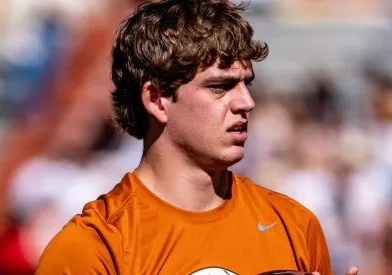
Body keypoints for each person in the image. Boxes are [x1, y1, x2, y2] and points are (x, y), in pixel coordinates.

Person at [35, 1, 359, 274]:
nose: (247, 102)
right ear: (157, 99)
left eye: (247, 83)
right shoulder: (90, 250)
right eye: (220, 86)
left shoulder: (294, 226)